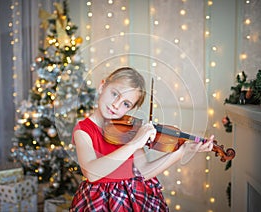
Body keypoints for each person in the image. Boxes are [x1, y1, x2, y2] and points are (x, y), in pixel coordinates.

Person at [70, 67, 214, 211]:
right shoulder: (83, 130)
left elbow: (143, 172)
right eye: (115, 94)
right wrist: (133, 144)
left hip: (135, 199)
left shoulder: (128, 132)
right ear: (102, 86)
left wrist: (181, 151)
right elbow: (92, 173)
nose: (116, 105)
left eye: (126, 104)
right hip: (100, 201)